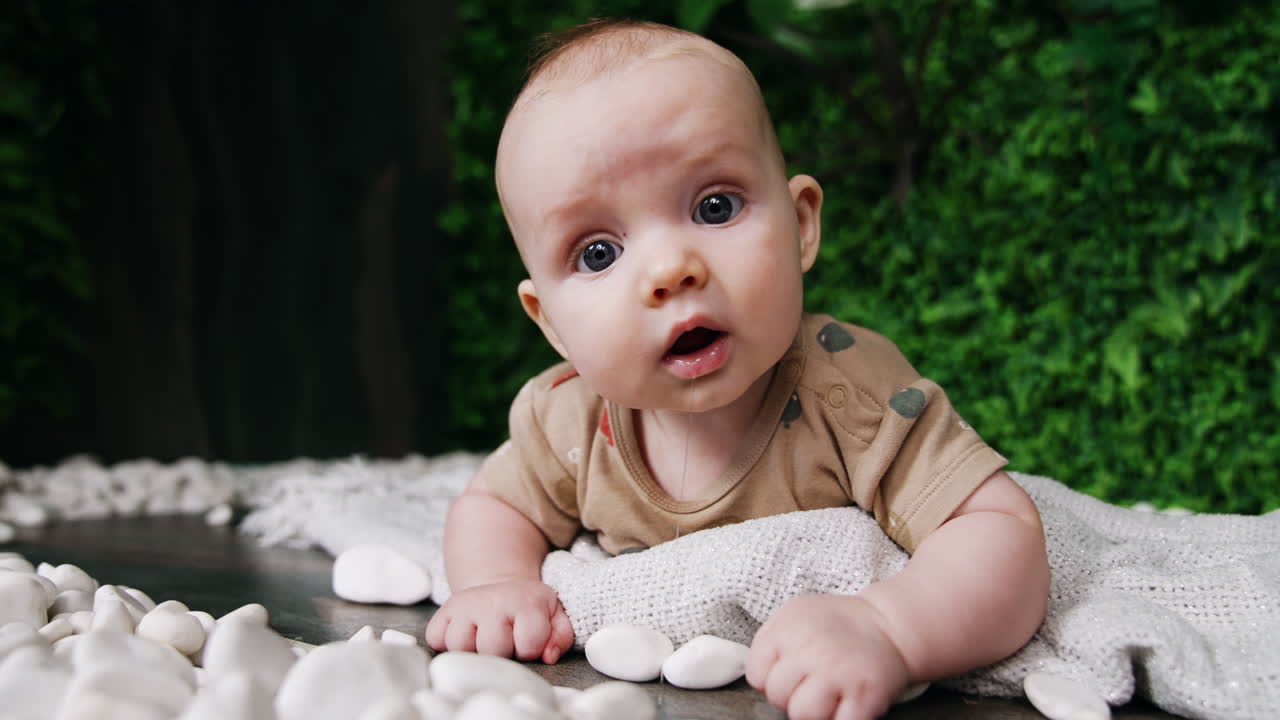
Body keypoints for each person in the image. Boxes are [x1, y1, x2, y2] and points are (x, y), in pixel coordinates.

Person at [426, 18, 1050, 720]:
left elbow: (1000, 528)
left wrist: (890, 627)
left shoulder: (850, 392)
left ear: (800, 223)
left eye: (714, 207)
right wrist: (496, 583)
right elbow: (495, 505)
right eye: (598, 253)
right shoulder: (568, 420)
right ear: (551, 325)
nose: (670, 271)